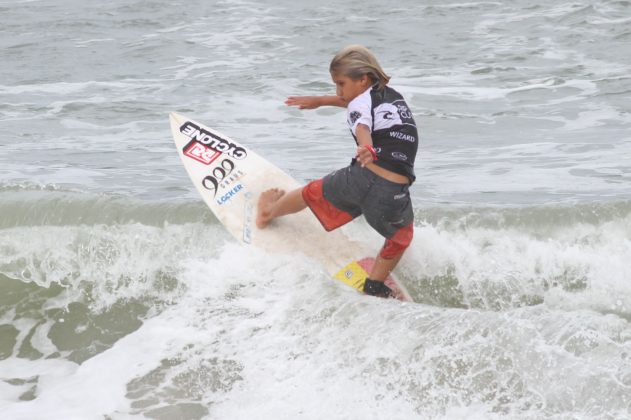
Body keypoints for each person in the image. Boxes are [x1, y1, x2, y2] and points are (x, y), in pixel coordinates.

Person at [256, 45, 418, 298]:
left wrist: (366, 148)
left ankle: (268, 212)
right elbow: (358, 110)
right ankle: (374, 285)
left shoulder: (360, 104)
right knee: (400, 237)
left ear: (363, 79)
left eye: (340, 84)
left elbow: (362, 123)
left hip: (363, 178)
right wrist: (321, 102)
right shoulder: (390, 96)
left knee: (312, 192)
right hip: (392, 192)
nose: (337, 92)